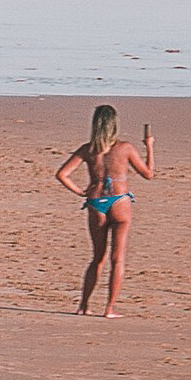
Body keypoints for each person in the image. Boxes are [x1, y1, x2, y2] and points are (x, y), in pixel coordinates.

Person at [55, 105, 155, 318]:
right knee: (117, 259)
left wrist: (82, 192)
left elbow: (62, 174)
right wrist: (149, 147)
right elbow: (148, 174)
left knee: (97, 258)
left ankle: (83, 305)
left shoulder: (88, 149)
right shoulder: (125, 148)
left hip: (96, 203)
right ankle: (109, 308)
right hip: (119, 202)